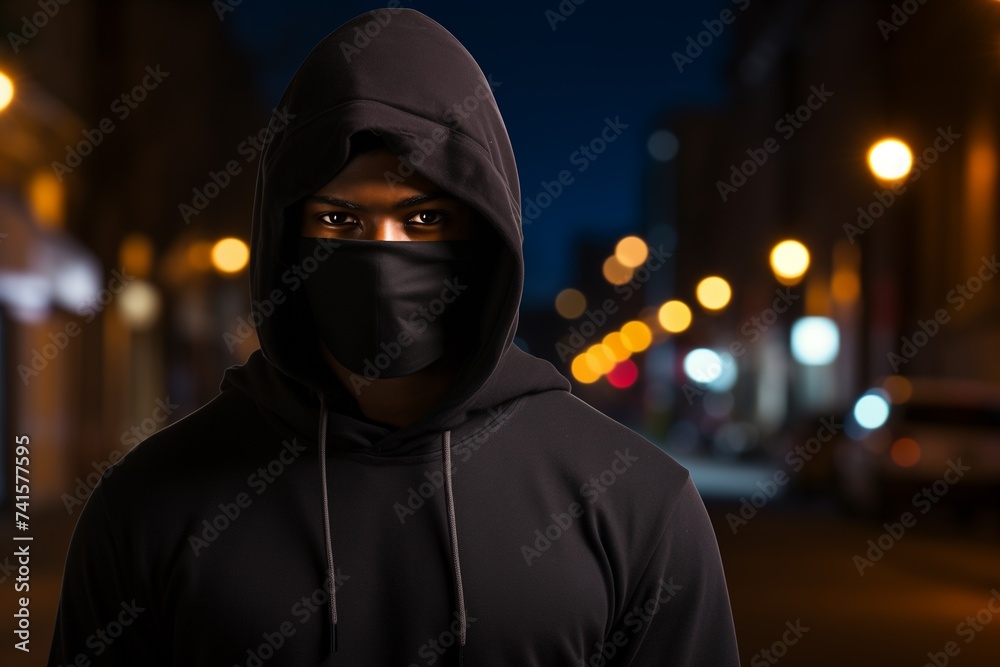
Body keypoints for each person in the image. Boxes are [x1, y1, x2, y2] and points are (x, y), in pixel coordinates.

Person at [48, 7, 741, 666]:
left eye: (424, 220)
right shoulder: (149, 505)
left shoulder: (636, 504)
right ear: (284, 240)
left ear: (486, 238)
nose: (381, 254)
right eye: (341, 222)